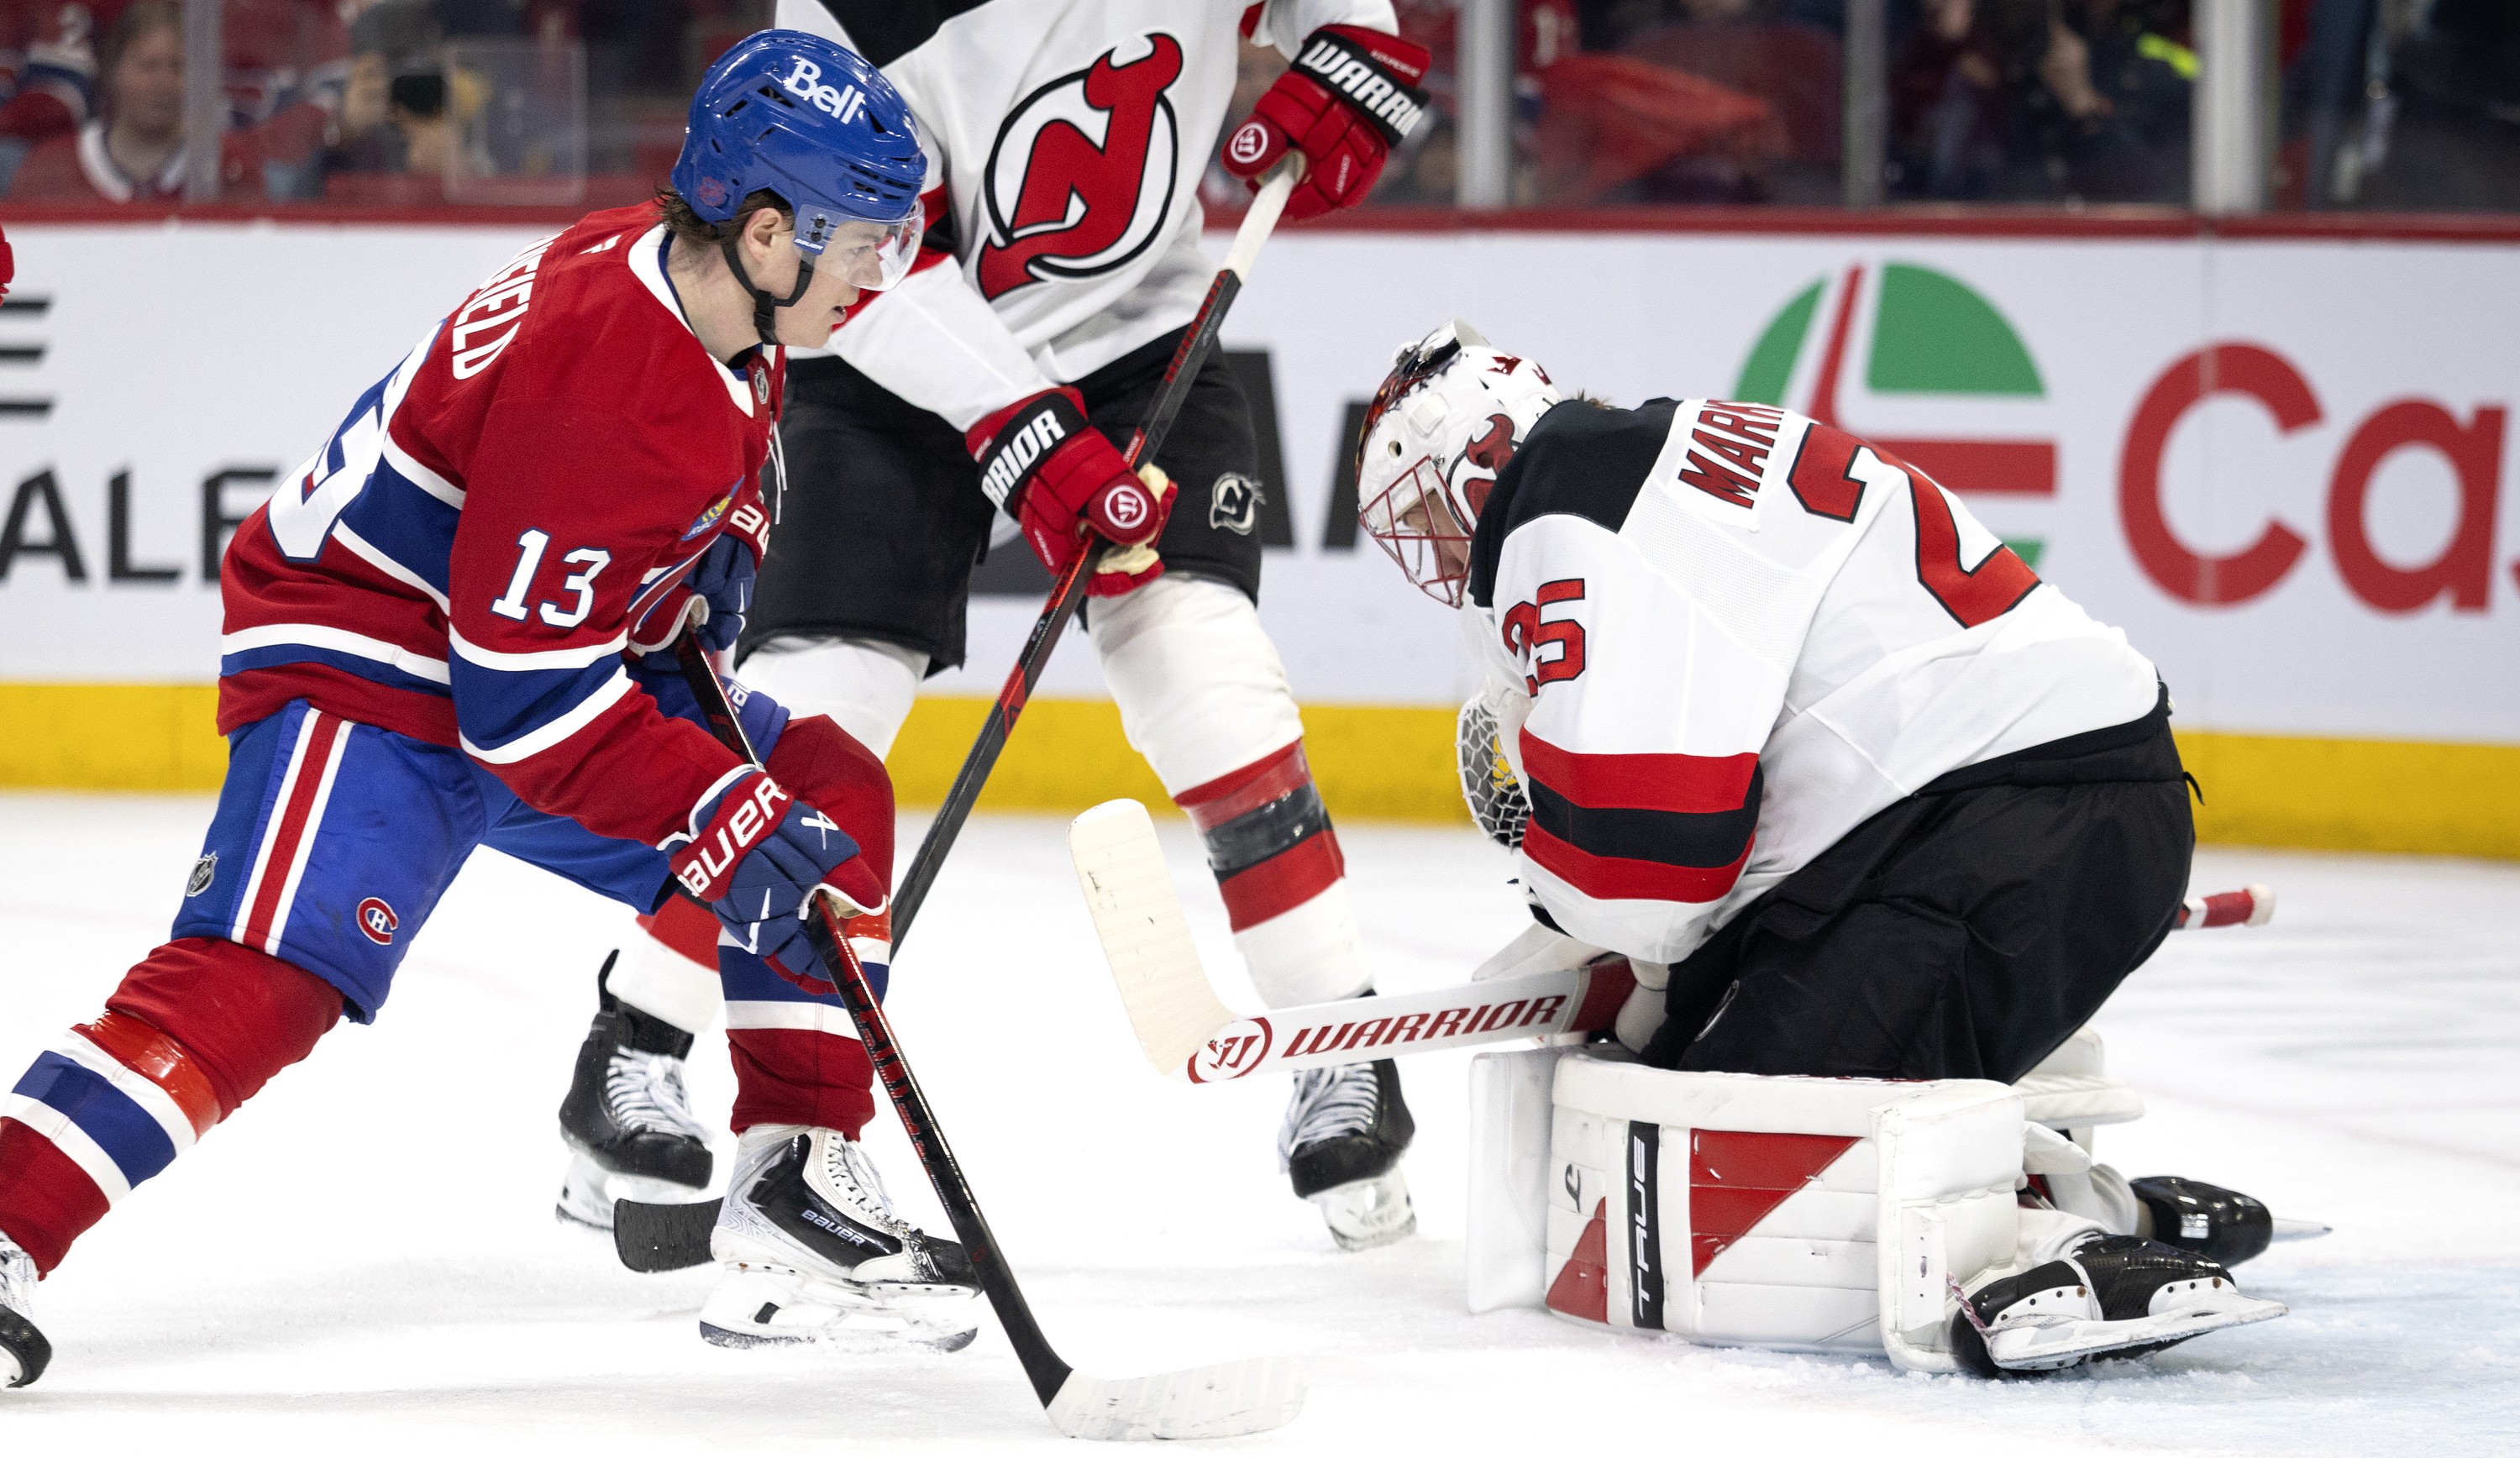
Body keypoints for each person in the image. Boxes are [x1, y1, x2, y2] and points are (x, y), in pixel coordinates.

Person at [0, 31, 980, 1391]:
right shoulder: (615, 372)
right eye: (865, 241)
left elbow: (597, 602)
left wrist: (701, 655)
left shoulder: (716, 307)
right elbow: (522, 705)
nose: (883, 272)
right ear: (767, 233)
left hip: (522, 654)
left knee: (824, 787)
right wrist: (713, 804)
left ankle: (793, 1185)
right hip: (375, 657)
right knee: (269, 978)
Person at [554, 0, 1441, 1256]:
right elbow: (855, 243)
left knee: (1202, 670)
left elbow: (1341, 15)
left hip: (1137, 340)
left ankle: (1340, 1044)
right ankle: (636, 1042)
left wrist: (1357, 40)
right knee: (821, 714)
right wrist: (1023, 429)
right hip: (880, 344)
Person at [1348, 320, 2290, 1373]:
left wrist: (1546, 870)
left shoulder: (1555, 503)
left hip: (2008, 820)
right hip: (2010, 808)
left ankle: (2059, 1244)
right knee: (1695, 1056)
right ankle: (2101, 1200)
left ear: (1479, 456)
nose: (1437, 551)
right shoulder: (1641, 458)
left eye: (1425, 512)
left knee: (1740, 1135)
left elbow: (1651, 876)